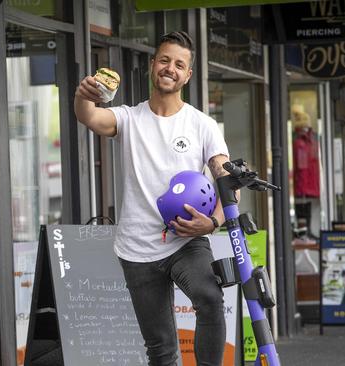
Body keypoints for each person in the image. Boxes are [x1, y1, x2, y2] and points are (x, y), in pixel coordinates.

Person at [74, 31, 231, 366]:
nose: (170, 68)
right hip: (136, 248)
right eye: (164, 60)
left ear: (187, 74)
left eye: (179, 64)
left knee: (209, 299)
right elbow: (89, 116)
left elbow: (226, 180)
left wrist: (214, 221)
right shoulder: (128, 118)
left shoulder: (202, 125)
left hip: (186, 240)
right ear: (152, 65)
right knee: (160, 349)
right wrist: (83, 96)